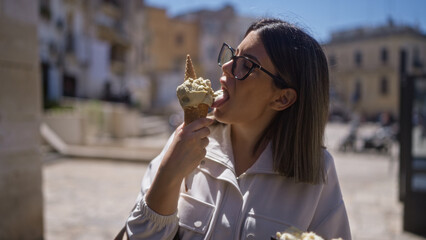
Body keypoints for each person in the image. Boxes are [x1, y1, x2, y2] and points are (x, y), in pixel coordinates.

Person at [126, 18, 351, 240]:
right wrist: (168, 174)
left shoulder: (317, 169)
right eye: (233, 56)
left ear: (282, 98)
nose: (226, 66)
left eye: (247, 65)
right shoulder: (186, 142)